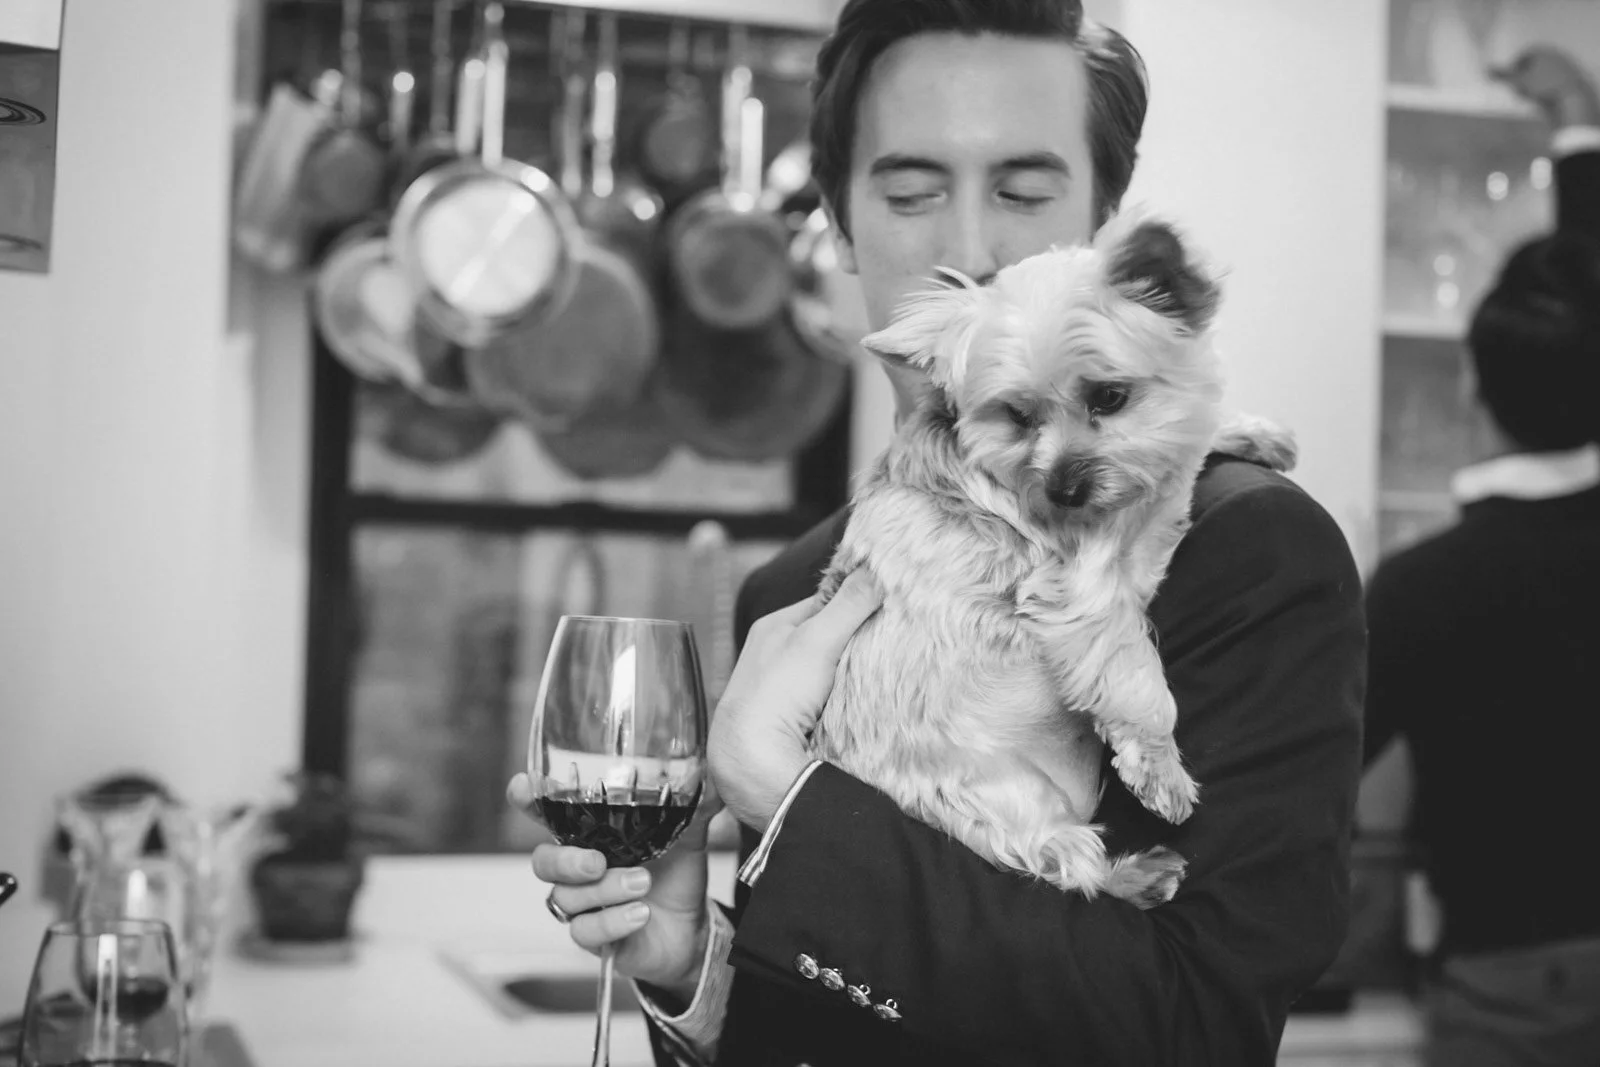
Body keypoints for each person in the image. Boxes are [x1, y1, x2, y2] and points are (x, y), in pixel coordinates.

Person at [511, 2, 1367, 1063]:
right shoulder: (792, 588)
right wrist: (692, 966)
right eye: (912, 191)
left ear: (1103, 219)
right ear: (836, 220)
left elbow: (1198, 1027)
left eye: (1023, 189)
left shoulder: (1246, 553)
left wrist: (790, 801)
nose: (968, 245)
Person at [1362, 47, 1600, 1067]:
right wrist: (1580, 130)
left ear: (1469, 387)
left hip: (1514, 988)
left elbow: (1299, 775)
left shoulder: (1422, 590)